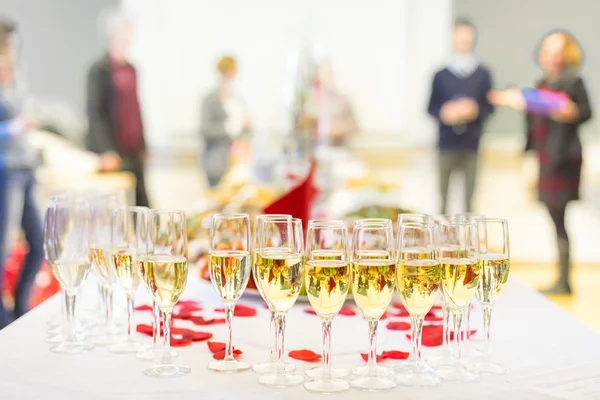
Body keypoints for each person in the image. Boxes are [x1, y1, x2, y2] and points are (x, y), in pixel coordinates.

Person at [488, 30, 592, 294]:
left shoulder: (573, 82)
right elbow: (534, 125)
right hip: (544, 159)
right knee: (554, 218)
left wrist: (567, 110)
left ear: (567, 54)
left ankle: (564, 281)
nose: (551, 56)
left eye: (557, 51)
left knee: (559, 219)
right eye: (547, 50)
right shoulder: (541, 84)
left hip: (564, 161)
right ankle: (562, 279)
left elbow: (583, 112)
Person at [0, 18, 44, 328]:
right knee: (3, 249)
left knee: (39, 243)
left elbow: (28, 110)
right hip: (6, 172)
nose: (11, 49)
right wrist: (14, 128)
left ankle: (20, 306)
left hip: (26, 168)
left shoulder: (16, 73)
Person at [427, 17, 494, 214]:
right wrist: (445, 112)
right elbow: (430, 107)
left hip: (472, 144)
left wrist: (474, 110)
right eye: (459, 35)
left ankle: (467, 240)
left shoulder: (482, 74)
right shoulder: (441, 74)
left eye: (467, 35)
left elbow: (489, 107)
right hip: (446, 143)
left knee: (469, 201)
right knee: (443, 199)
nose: (463, 39)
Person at [86, 9, 149, 207]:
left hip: (134, 149)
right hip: (114, 150)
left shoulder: (131, 68)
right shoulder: (99, 70)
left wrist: (144, 145)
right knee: (119, 208)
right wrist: (106, 150)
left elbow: (135, 108)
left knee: (143, 204)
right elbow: (95, 113)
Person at [200, 56, 250, 188]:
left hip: (237, 162)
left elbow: (245, 126)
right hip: (216, 162)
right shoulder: (210, 99)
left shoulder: (237, 97)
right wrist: (229, 128)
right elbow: (206, 130)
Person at [302, 61, 358, 148]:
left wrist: (340, 129)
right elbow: (301, 127)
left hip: (337, 148)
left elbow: (355, 126)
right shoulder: (307, 100)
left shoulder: (342, 100)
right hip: (312, 148)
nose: (329, 76)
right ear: (317, 75)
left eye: (331, 73)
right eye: (326, 73)